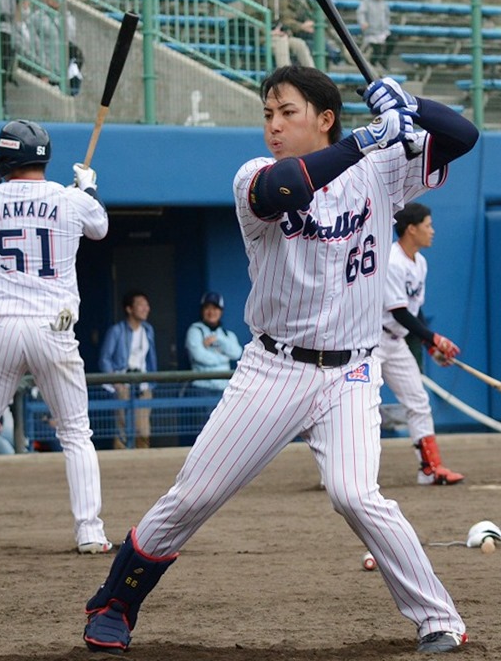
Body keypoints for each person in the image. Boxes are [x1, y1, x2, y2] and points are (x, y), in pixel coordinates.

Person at [81, 67, 480, 655]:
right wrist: (368, 136)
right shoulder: (256, 176)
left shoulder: (381, 172)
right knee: (195, 495)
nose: (273, 125)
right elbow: (284, 191)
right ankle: (115, 602)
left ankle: (437, 618)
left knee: (356, 494)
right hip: (275, 367)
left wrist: (410, 102)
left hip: (353, 369)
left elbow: (463, 136)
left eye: (287, 112)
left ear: (323, 118)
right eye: (267, 113)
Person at [0, 119, 112, 557]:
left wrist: (74, 196)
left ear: (8, 158)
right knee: (76, 434)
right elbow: (99, 227)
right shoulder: (69, 200)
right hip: (54, 328)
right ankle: (89, 531)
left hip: (2, 327)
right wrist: (86, 189)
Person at [378, 202, 465, 486]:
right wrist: (434, 338)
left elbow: (415, 312)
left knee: (418, 400)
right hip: (368, 341)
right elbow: (399, 311)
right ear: (411, 229)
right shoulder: (391, 260)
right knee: (359, 407)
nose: (432, 231)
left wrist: (430, 345)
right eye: (428, 225)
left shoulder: (420, 262)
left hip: (395, 339)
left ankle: (430, 469)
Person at [98, 290, 157, 449]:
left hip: (143, 385)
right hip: (122, 384)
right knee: (122, 428)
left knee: (143, 428)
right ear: (129, 309)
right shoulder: (116, 330)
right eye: (140, 305)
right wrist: (115, 381)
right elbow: (105, 359)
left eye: (146, 305)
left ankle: (143, 465)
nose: (146, 308)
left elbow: (151, 359)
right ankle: (122, 465)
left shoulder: (148, 330)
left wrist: (151, 382)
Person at [240, 0, 315, 70]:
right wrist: (269, 32)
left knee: (300, 44)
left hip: (279, 33)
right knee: (281, 42)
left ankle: (313, 76)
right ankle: (285, 75)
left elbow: (285, 17)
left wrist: (296, 27)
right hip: (261, 35)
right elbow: (251, 18)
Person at [24, 0, 82, 94]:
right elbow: (31, 46)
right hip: (46, 75)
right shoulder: (36, 19)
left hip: (65, 75)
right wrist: (41, 71)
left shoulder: (69, 18)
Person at [184, 291, 243, 391]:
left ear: (221, 311)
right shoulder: (195, 330)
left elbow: (237, 353)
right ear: (202, 310)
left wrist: (219, 340)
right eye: (207, 308)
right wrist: (224, 357)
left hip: (224, 389)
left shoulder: (227, 334)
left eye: (215, 308)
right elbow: (199, 356)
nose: (211, 312)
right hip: (201, 388)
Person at [357, 0, 396, 72]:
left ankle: (384, 59)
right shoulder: (366, 2)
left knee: (392, 40)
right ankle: (373, 64)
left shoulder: (383, 3)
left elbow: (387, 15)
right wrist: (363, 22)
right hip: (371, 33)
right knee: (376, 51)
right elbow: (361, 13)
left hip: (383, 31)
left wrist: (386, 25)